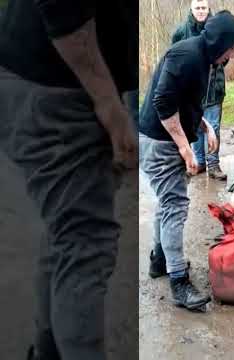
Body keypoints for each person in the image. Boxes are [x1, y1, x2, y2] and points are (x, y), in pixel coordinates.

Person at [0, 1, 138, 359]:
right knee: (84, 243)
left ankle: (48, 351)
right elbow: (62, 7)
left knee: (68, 233)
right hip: (56, 90)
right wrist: (108, 102)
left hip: (51, 83)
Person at [139, 10, 234, 312]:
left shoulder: (203, 59)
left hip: (164, 138)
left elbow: (184, 98)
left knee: (167, 203)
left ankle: (159, 260)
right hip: (159, 142)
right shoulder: (187, 55)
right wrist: (187, 150)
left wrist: (203, 125)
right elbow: (162, 102)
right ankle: (178, 281)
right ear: (222, 43)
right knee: (175, 205)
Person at [172, 0, 227, 180]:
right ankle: (200, 162)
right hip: (191, 89)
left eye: (204, 8)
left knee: (214, 127)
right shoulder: (181, 32)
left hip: (214, 88)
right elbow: (173, 57)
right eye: (198, 8)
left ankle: (213, 164)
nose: (201, 11)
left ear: (208, 8)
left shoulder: (217, 28)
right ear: (191, 8)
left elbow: (226, 55)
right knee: (194, 126)